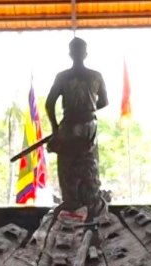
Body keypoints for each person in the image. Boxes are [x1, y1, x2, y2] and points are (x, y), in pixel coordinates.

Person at [45, 37, 108, 216]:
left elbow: (50, 104)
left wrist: (56, 130)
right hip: (89, 126)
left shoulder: (63, 77)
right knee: (88, 166)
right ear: (85, 54)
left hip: (69, 127)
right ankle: (87, 204)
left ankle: (73, 203)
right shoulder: (96, 76)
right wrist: (89, 110)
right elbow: (104, 102)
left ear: (70, 54)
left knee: (69, 167)